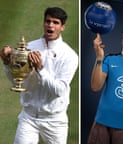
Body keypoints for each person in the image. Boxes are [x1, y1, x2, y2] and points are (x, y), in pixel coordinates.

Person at [0, 7, 78, 144]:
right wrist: (7, 63)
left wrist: (40, 69)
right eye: (48, 21)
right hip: (28, 118)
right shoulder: (29, 48)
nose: (50, 25)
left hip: (55, 121)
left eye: (55, 22)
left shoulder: (70, 56)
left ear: (63, 27)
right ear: (43, 23)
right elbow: (18, 82)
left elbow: (59, 90)